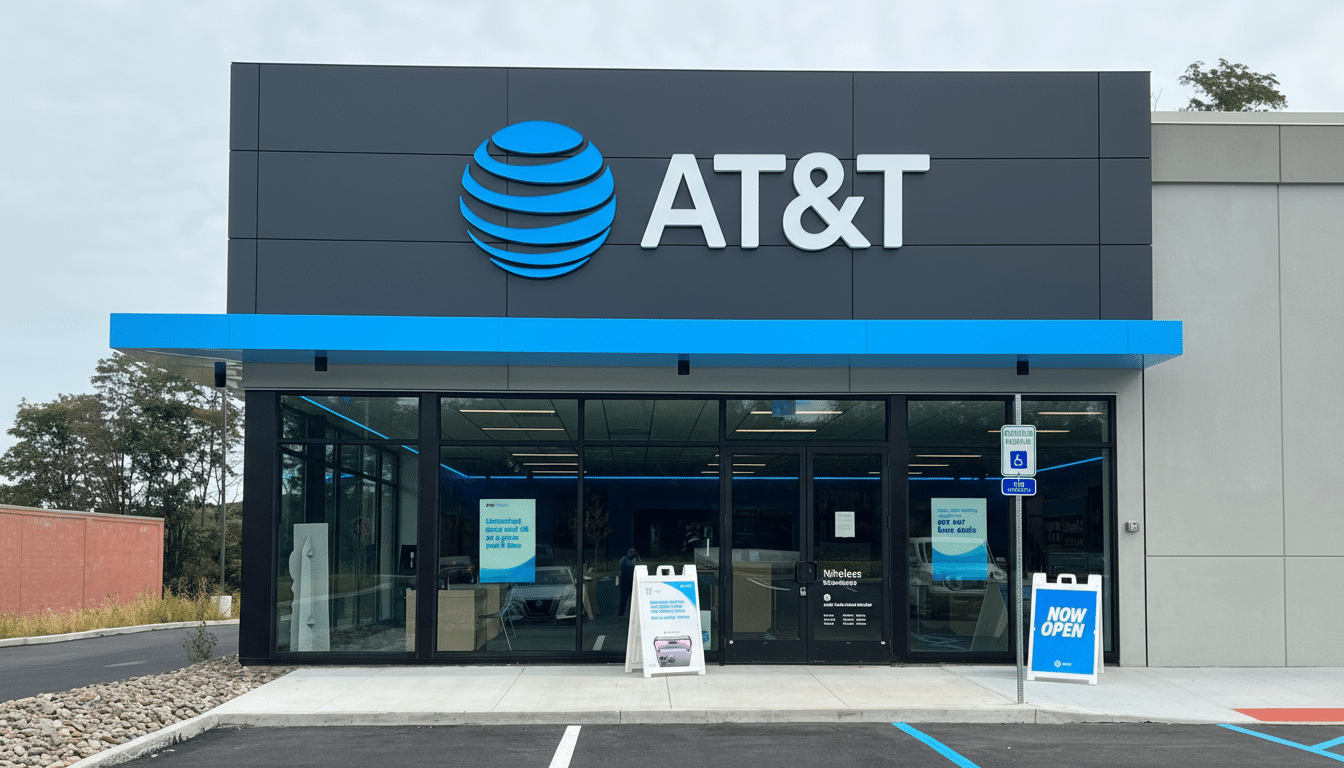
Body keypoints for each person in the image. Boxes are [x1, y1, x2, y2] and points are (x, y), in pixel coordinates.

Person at [617, 548, 640, 616]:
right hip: (625, 581)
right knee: (623, 599)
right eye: (631, 552)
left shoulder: (635, 560)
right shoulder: (623, 559)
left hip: (632, 581)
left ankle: (632, 614)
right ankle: (621, 614)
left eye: (633, 552)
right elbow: (620, 568)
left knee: (632, 599)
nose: (632, 553)